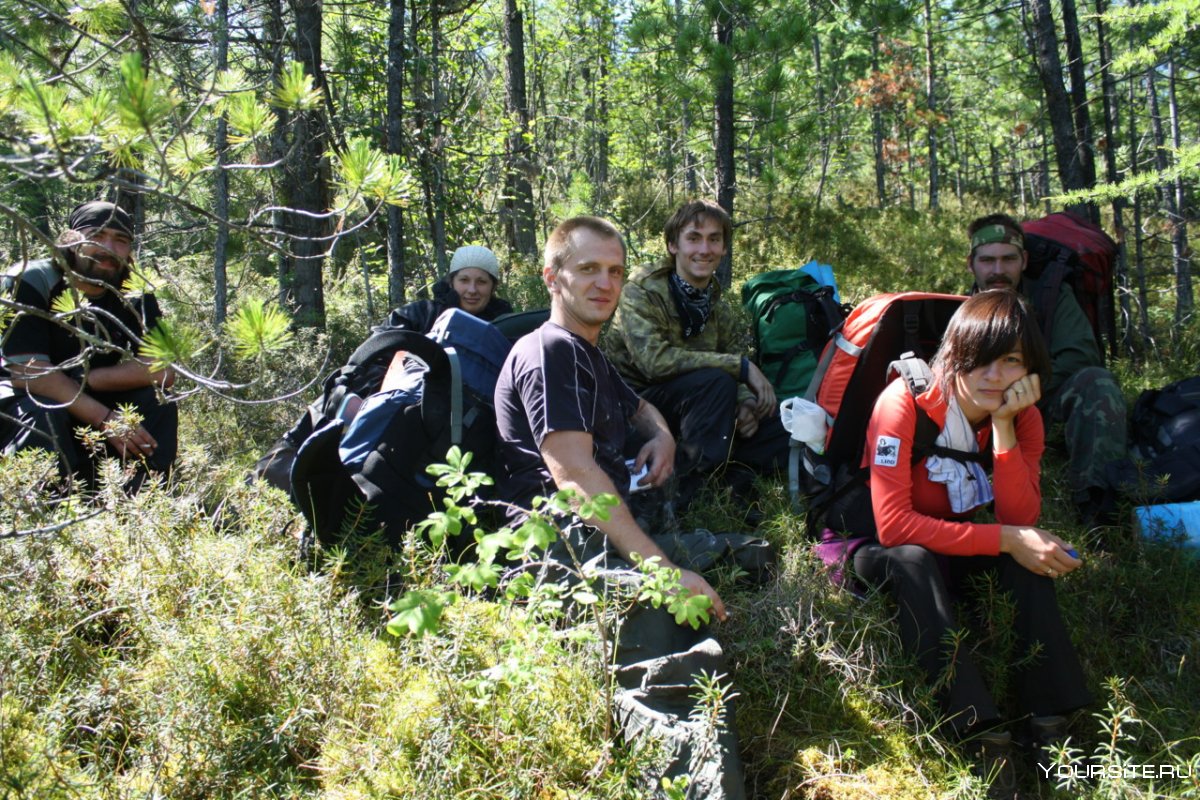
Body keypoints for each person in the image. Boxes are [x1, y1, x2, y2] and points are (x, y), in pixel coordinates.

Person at [494, 216, 771, 799]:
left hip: (612, 523)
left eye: (615, 271)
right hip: (565, 542)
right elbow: (573, 477)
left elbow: (638, 403)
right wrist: (664, 574)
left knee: (752, 556)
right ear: (552, 277)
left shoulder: (586, 355)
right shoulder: (551, 352)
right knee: (676, 674)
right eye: (588, 269)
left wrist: (662, 433)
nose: (605, 283)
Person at [854, 290, 1090, 796]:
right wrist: (1006, 539)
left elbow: (1020, 515)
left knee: (1027, 560)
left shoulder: (1021, 414)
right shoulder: (903, 404)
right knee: (913, 560)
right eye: (978, 360)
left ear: (1029, 369)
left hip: (953, 542)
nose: (993, 376)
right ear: (954, 355)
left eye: (1010, 362)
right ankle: (977, 730)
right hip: (878, 548)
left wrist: (1003, 426)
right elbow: (893, 527)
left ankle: (1052, 726)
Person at [605, 200, 788, 515]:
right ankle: (681, 494)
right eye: (694, 238)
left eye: (714, 239)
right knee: (714, 383)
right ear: (673, 245)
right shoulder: (644, 289)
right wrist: (740, 369)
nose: (705, 249)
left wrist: (745, 402)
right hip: (634, 411)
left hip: (697, 411)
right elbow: (654, 362)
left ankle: (732, 483)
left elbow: (733, 353)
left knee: (777, 417)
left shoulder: (716, 304)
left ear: (724, 248)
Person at [0, 200, 177, 488]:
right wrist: (107, 420)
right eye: (96, 235)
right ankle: (43, 506)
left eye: (120, 240)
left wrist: (85, 379)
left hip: (87, 395)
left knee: (158, 401)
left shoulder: (135, 291)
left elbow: (164, 369)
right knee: (44, 409)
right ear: (71, 240)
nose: (108, 247)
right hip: (18, 398)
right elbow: (29, 373)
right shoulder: (32, 279)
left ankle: (142, 499)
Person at [966, 213, 1125, 524]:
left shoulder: (1050, 295)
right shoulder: (959, 306)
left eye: (1008, 259)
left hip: (1041, 402)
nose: (998, 270)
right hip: (979, 414)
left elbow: (1080, 355)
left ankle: (1098, 505)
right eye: (987, 260)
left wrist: (1023, 390)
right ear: (971, 263)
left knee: (1097, 383)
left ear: (1024, 260)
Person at [380, 244, 513, 333]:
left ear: (493, 287)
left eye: (481, 282)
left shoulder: (507, 326)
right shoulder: (419, 315)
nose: (472, 290)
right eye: (464, 280)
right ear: (451, 282)